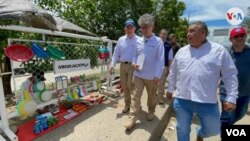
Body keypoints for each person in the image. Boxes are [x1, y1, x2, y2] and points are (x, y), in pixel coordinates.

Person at [166, 21, 238, 141]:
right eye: (188, 31)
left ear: (203, 33)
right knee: (182, 129)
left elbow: (230, 74)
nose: (188, 33)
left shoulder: (218, 51)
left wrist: (231, 97)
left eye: (192, 31)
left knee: (213, 129)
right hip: (183, 99)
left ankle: (200, 133)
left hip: (207, 100)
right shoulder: (182, 51)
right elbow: (173, 72)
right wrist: (170, 88)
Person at [124, 13, 164, 130]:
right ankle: (132, 117)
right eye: (142, 27)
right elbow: (134, 55)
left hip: (152, 76)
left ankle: (151, 110)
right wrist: (133, 63)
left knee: (151, 96)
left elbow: (161, 60)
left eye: (147, 26)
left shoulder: (158, 41)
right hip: (138, 74)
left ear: (153, 26)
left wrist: (158, 75)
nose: (144, 29)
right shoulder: (138, 41)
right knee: (135, 95)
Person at [220, 26, 250, 126]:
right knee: (227, 117)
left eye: (242, 35)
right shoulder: (224, 53)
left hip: (245, 92)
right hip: (227, 93)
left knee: (241, 114)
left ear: (246, 36)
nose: (240, 38)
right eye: (236, 36)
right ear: (230, 39)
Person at [110, 19, 139, 113]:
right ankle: (127, 105)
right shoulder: (121, 39)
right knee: (125, 86)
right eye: (128, 27)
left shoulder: (139, 40)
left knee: (132, 86)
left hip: (133, 66)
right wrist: (112, 65)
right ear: (125, 29)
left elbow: (142, 54)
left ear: (134, 28)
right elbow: (115, 53)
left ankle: (135, 105)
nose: (129, 29)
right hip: (122, 66)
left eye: (131, 27)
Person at [157, 29, 173, 104]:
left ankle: (160, 97)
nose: (163, 36)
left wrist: (169, 68)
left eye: (165, 34)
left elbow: (170, 58)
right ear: (159, 34)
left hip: (164, 67)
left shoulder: (168, 45)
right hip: (154, 66)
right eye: (162, 34)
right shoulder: (155, 43)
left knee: (162, 82)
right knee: (152, 82)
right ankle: (153, 96)